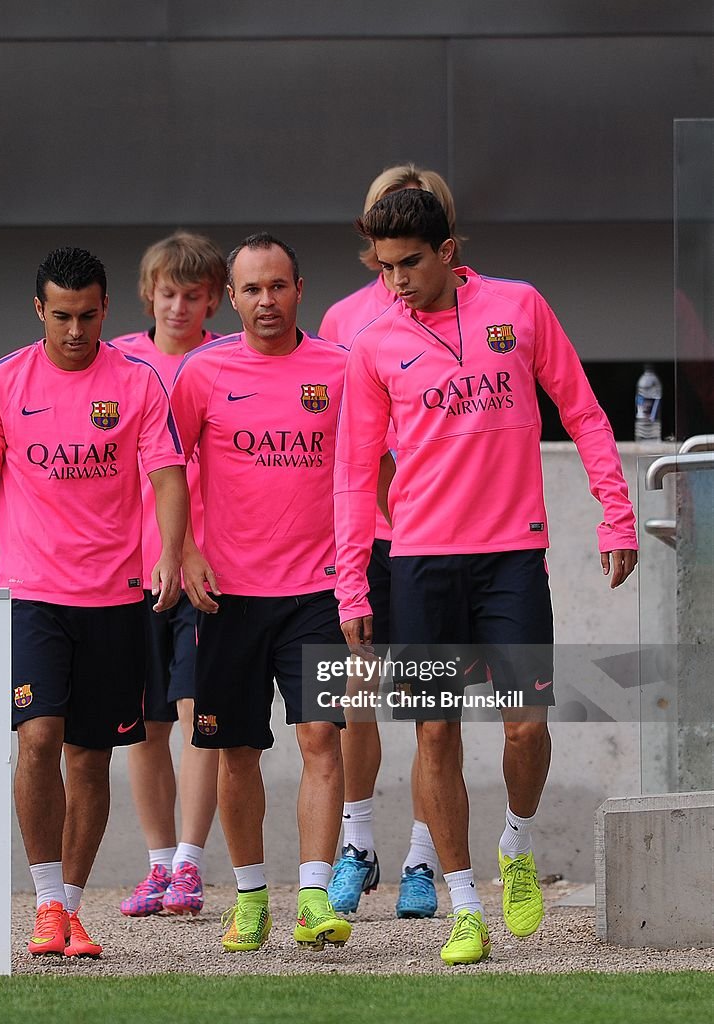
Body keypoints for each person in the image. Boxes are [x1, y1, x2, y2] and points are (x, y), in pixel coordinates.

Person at [334, 190, 638, 965]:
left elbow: (586, 411)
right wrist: (351, 583)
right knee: (435, 729)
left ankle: (517, 843)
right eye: (384, 266)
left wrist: (616, 511)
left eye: (410, 263)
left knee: (525, 726)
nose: (396, 280)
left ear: (448, 251)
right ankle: (465, 902)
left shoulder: (521, 307)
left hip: (510, 555)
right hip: (419, 561)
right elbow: (351, 472)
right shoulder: (372, 345)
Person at [0, 247, 188, 958]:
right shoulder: (2, 384)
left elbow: (169, 477)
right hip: (30, 596)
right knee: (38, 738)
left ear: (106, 310)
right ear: (38, 311)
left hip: (115, 600)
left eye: (87, 316)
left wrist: (169, 555)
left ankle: (74, 910)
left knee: (90, 758)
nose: (75, 330)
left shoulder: (138, 382)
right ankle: (46, 903)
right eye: (61, 316)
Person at [170, 233, 352, 953]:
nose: (266, 301)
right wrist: (182, 551)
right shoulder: (201, 370)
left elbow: (383, 465)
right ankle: (250, 899)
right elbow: (164, 464)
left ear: (299, 289)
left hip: (322, 591)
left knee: (320, 739)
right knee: (236, 751)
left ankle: (311, 897)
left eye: (277, 286)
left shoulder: (341, 367)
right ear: (232, 297)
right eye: (251, 289)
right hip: (229, 595)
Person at [319, 164, 462, 920]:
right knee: (359, 692)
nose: (396, 265)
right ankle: (358, 845)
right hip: (368, 542)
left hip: (441, 541)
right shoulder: (346, 320)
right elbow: (343, 446)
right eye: (383, 234)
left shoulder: (476, 310)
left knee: (434, 706)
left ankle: (422, 858)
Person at [109, 232, 226, 917]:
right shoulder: (117, 359)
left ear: (213, 299)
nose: (178, 305)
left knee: (198, 718)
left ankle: (189, 864)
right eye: (167, 292)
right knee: (144, 725)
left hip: (209, 569)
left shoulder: (227, 361)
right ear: (148, 294)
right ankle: (156, 866)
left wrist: (187, 553)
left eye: (192, 294)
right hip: (129, 569)